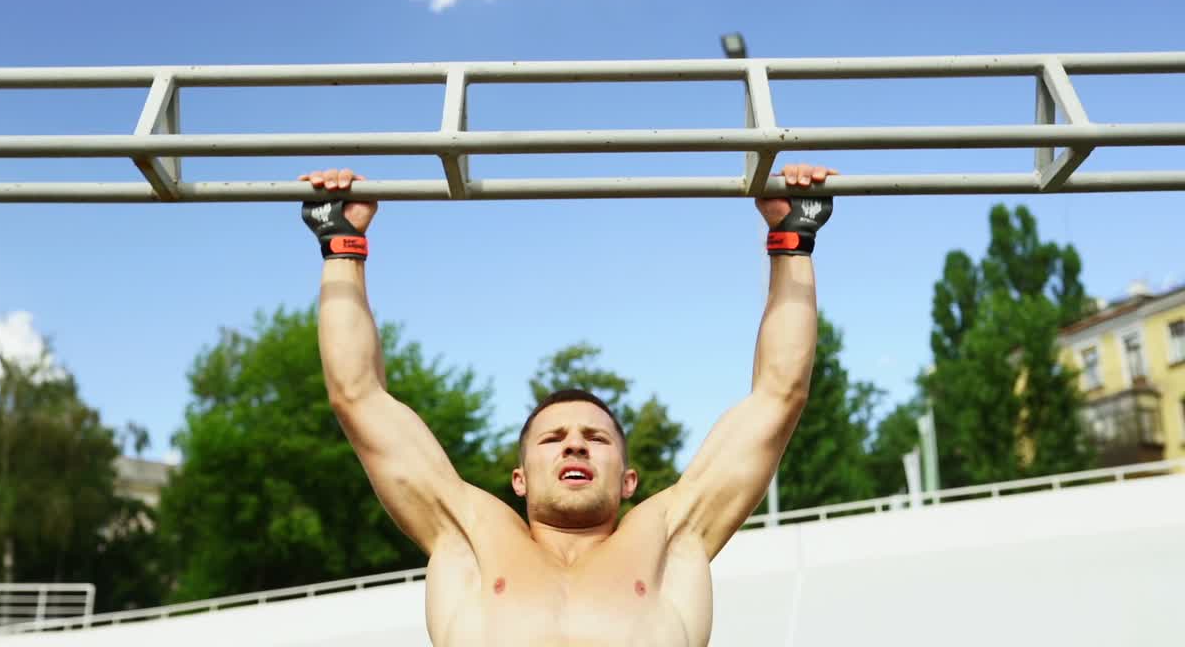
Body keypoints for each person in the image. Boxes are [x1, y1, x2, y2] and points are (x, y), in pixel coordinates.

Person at [298, 163, 835, 646]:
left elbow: (779, 394)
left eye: (595, 438)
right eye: (552, 439)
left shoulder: (670, 535)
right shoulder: (470, 535)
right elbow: (357, 395)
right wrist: (342, 243)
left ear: (628, 479)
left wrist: (793, 237)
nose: (574, 443)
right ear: (519, 479)